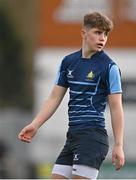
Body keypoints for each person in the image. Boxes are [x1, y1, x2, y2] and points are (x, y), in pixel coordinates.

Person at [18, 12, 125, 179]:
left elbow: (116, 107)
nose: (102, 38)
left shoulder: (109, 67)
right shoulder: (68, 62)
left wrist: (119, 145)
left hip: (92, 137)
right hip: (73, 137)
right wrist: (35, 124)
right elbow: (54, 97)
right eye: (98, 32)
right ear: (84, 33)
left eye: (105, 34)